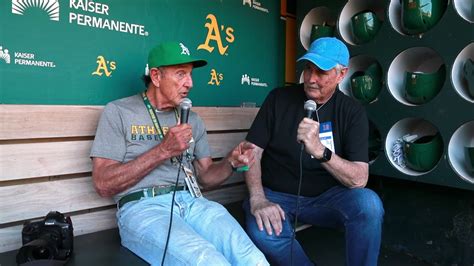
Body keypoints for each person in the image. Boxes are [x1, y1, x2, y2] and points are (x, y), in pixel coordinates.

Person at [90, 41, 268, 266]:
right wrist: (163, 150)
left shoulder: (192, 119)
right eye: (181, 74)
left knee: (253, 259)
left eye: (191, 74)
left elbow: (206, 177)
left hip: (193, 203)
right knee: (209, 261)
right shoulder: (119, 112)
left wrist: (230, 163)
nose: (190, 83)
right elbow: (103, 184)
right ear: (156, 76)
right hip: (144, 208)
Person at [242, 37, 384, 266]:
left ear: (342, 74)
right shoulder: (279, 99)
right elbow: (251, 151)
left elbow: (359, 178)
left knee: (369, 205)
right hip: (276, 195)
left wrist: (321, 150)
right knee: (264, 232)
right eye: (308, 69)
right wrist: (257, 198)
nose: (311, 79)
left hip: (326, 199)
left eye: (321, 72)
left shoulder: (352, 111)